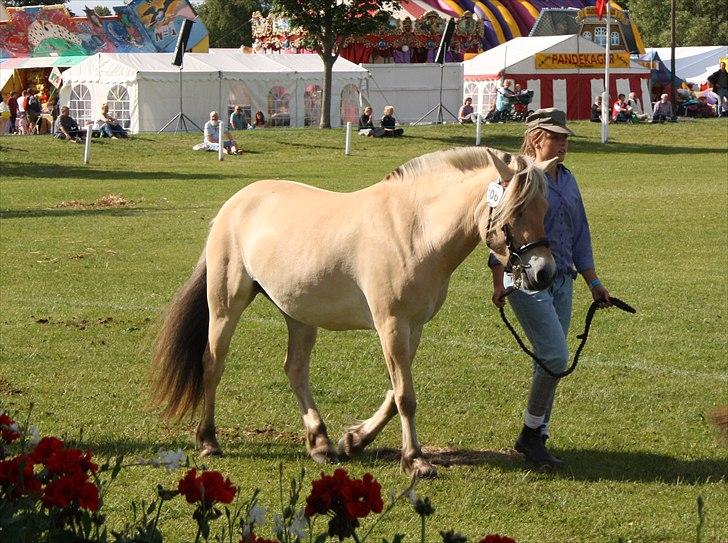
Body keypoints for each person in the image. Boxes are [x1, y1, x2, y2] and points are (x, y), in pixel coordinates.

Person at [489, 108, 611, 469]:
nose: (562, 143)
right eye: (555, 136)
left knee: (550, 362)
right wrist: (498, 280)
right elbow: (498, 230)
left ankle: (538, 435)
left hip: (563, 279)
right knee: (556, 357)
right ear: (535, 137)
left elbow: (580, 233)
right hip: (522, 280)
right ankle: (530, 435)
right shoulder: (512, 177)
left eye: (565, 138)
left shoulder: (568, 180)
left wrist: (594, 282)